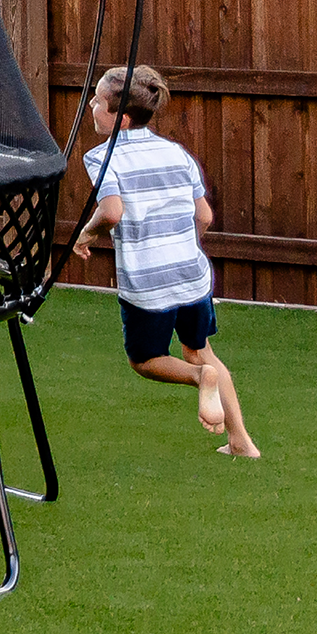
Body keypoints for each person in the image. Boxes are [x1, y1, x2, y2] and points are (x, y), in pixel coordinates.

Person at [70, 65, 259, 458]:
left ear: (119, 119)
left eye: (98, 101)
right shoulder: (176, 153)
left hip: (148, 284)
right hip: (192, 275)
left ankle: (197, 378)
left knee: (144, 359)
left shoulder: (101, 157)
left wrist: (87, 233)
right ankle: (241, 441)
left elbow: (112, 212)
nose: (91, 105)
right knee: (201, 348)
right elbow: (203, 216)